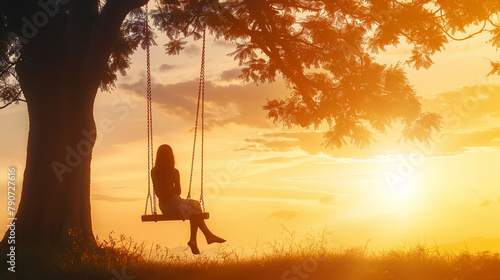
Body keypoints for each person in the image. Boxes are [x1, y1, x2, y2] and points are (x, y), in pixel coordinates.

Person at [152, 144, 226, 254]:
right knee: (196, 206)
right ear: (171, 157)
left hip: (163, 206)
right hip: (174, 204)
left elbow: (157, 192)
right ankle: (203, 237)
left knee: (193, 211)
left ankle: (198, 239)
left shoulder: (154, 172)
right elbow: (178, 191)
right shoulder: (174, 172)